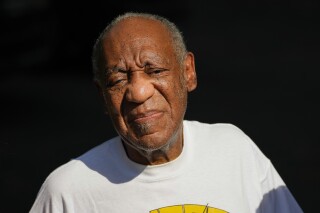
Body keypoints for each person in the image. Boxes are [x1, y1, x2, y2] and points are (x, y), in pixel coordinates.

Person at [30, 12, 303, 213]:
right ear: (102, 96)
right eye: (117, 81)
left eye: (156, 71)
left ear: (188, 73)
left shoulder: (234, 151)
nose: (138, 93)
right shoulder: (67, 192)